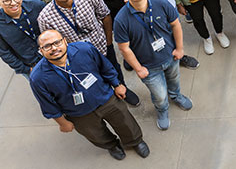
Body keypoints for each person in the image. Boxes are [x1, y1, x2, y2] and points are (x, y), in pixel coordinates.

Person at [29, 30, 147, 160]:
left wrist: (117, 84)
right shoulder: (38, 77)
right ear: (41, 50)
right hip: (78, 113)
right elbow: (48, 104)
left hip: (105, 97)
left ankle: (134, 141)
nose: (54, 48)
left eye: (57, 42)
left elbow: (105, 68)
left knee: (125, 122)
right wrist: (62, 123)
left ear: (65, 41)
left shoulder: (85, 49)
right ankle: (112, 145)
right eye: (47, 46)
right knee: (96, 134)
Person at [37, 0, 141, 106]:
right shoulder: (45, 18)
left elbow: (105, 16)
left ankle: (122, 88)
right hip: (77, 57)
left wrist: (109, 42)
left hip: (102, 45)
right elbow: (51, 43)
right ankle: (104, 98)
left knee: (114, 69)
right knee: (91, 79)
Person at [114, 0, 194, 130]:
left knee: (174, 81)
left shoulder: (161, 3)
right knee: (159, 94)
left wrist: (179, 48)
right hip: (148, 67)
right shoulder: (121, 19)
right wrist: (138, 68)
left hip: (170, 56)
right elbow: (124, 48)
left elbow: (176, 25)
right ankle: (162, 109)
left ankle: (176, 96)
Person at [0, 0, 46, 77]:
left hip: (54, 53)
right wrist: (27, 70)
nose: (13, 3)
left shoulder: (36, 5)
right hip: (32, 66)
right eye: (6, 0)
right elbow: (4, 53)